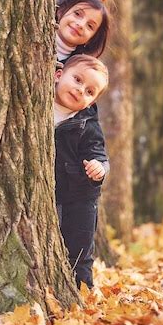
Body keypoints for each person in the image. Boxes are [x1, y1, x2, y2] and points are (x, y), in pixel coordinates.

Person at [54, 54, 109, 288]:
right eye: (77, 80)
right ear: (58, 75)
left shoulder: (87, 123)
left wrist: (99, 168)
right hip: (48, 188)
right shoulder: (37, 100)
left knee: (79, 250)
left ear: (91, 102)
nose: (80, 90)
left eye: (89, 92)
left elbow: (98, 152)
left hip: (79, 193)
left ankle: (82, 291)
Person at [56, 0, 110, 64]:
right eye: (77, 14)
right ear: (61, 11)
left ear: (92, 39)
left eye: (90, 26)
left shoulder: (76, 68)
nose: (81, 24)